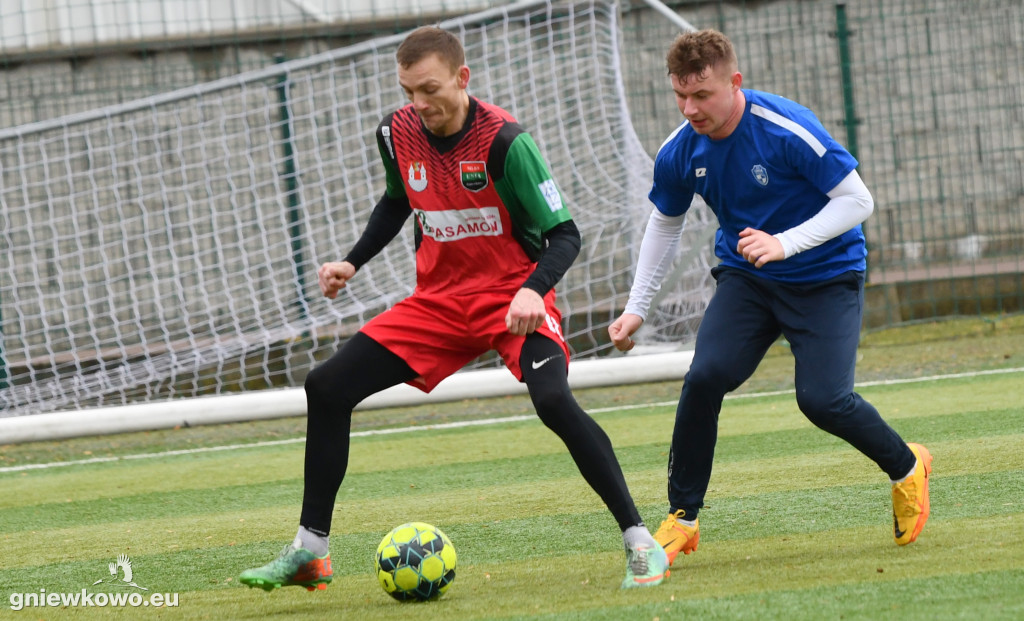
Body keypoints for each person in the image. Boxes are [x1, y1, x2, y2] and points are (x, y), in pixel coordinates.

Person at [240, 26, 668, 591]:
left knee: (554, 401)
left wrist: (534, 289)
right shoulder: (395, 133)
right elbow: (398, 201)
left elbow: (565, 234)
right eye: (407, 90)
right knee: (325, 386)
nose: (418, 104)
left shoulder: (506, 143)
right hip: (437, 305)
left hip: (512, 300)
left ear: (462, 79)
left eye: (429, 89)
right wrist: (353, 261)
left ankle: (640, 542)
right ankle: (310, 552)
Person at [608, 29, 932, 567]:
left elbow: (857, 200)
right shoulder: (680, 149)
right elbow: (664, 224)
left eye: (703, 95)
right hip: (749, 280)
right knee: (705, 375)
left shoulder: (785, 127)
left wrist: (784, 243)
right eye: (680, 96)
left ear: (735, 83)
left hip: (827, 276)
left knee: (823, 401)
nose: (690, 109)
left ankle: (907, 466)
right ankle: (683, 519)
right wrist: (637, 306)